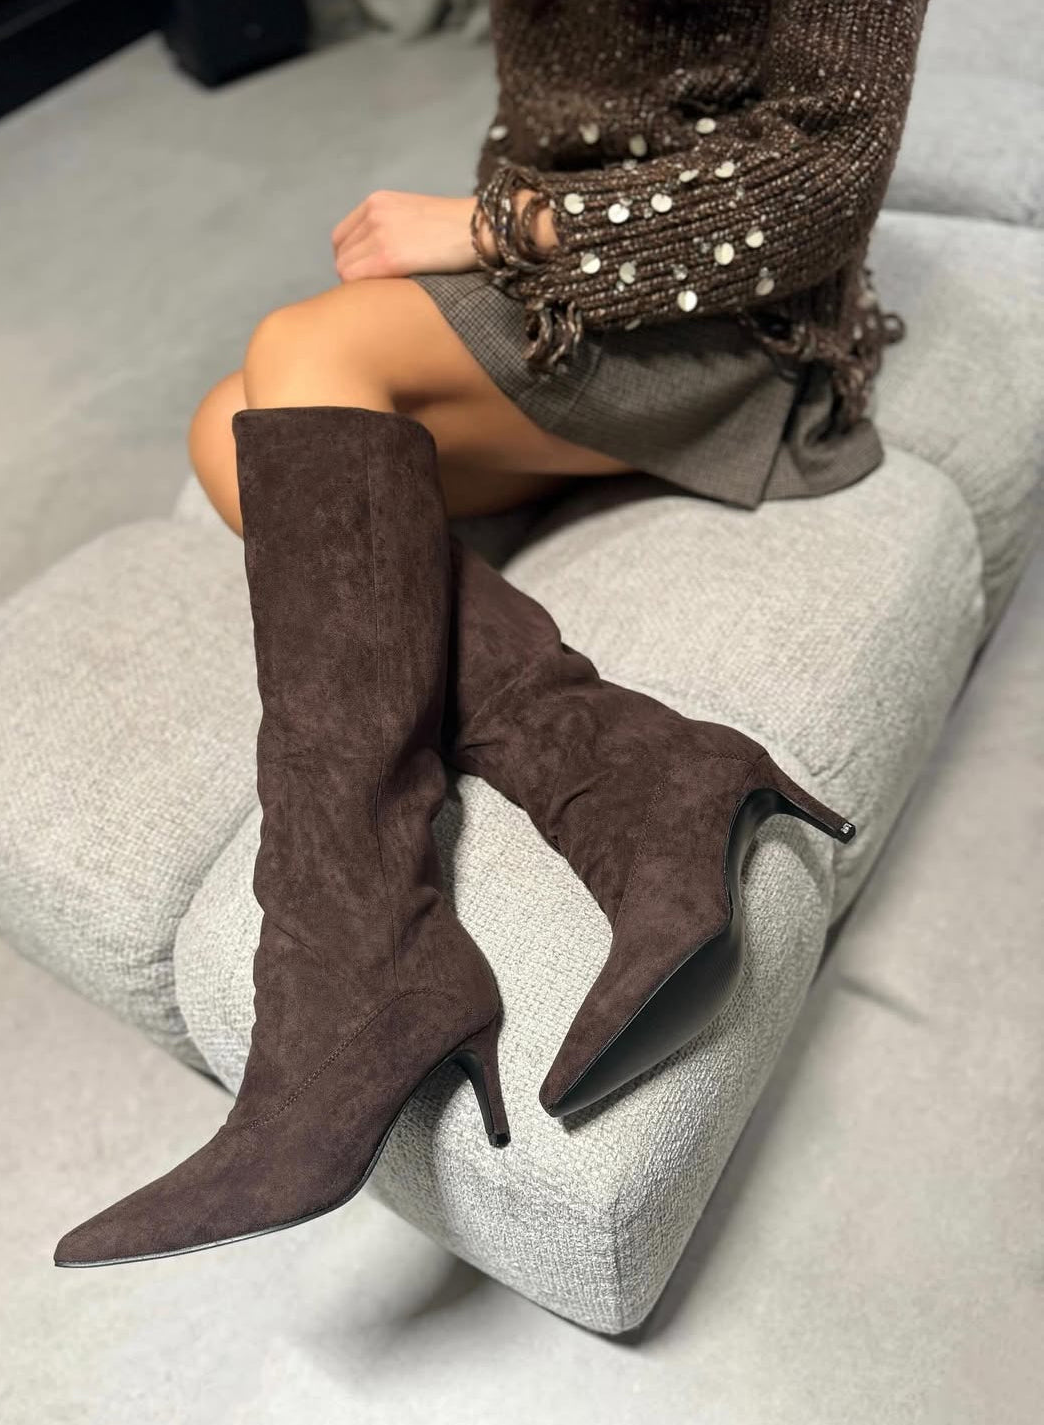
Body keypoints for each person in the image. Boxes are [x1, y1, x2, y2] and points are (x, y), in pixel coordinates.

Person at [54, 0, 928, 1269]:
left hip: (735, 319)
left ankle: (352, 975)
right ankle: (639, 772)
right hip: (564, 294)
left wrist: (498, 229)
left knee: (299, 348)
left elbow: (823, 186)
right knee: (229, 428)